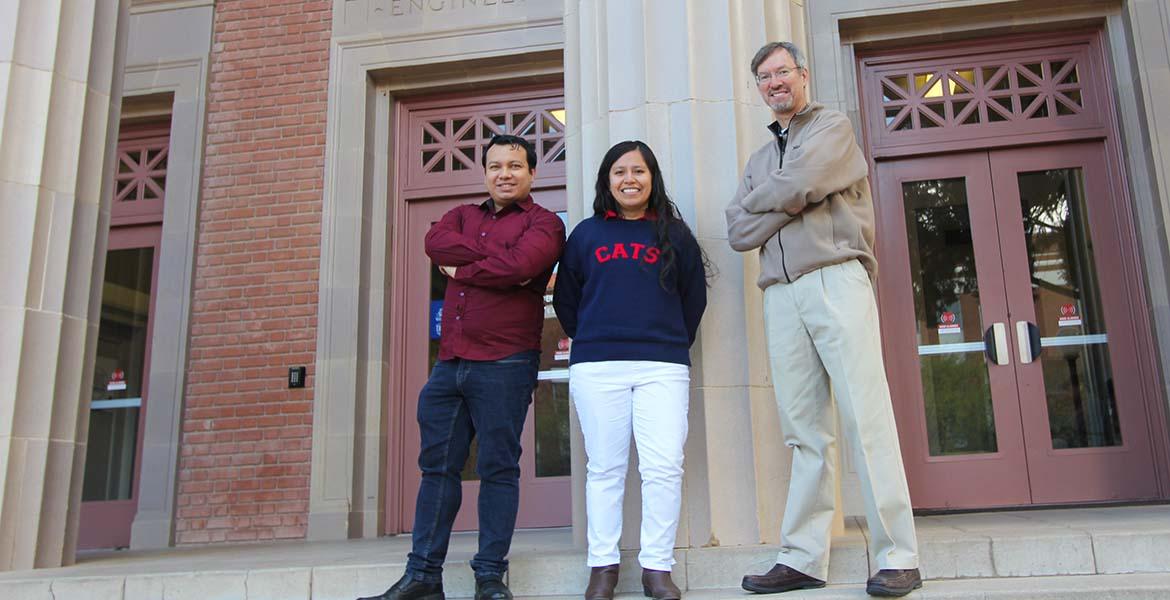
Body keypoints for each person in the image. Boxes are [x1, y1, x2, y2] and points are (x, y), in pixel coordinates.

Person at [725, 42, 922, 597]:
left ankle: (899, 554)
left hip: (836, 276)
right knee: (803, 430)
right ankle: (803, 558)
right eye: (762, 76)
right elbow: (739, 232)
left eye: (781, 71)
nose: (773, 82)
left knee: (866, 416)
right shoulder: (759, 159)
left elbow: (799, 186)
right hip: (781, 294)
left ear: (802, 75)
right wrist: (786, 198)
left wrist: (775, 200)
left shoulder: (831, 127)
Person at [360, 135, 565, 600]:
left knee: (498, 468)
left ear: (532, 172)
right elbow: (437, 242)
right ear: (486, 172)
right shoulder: (460, 216)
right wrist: (499, 265)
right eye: (495, 166)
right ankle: (422, 577)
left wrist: (465, 269)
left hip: (506, 360)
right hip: (449, 363)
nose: (504, 174)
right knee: (437, 469)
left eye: (514, 165)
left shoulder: (546, 223)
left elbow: (523, 266)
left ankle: (489, 577)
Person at [553, 140, 708, 600]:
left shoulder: (675, 234)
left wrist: (668, 340)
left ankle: (657, 568)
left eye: (638, 171)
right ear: (607, 181)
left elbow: (693, 298)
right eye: (619, 172)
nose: (629, 180)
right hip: (598, 365)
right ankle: (603, 567)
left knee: (663, 467)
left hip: (662, 364)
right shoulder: (585, 234)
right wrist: (599, 337)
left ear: (652, 178)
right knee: (605, 468)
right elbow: (567, 299)